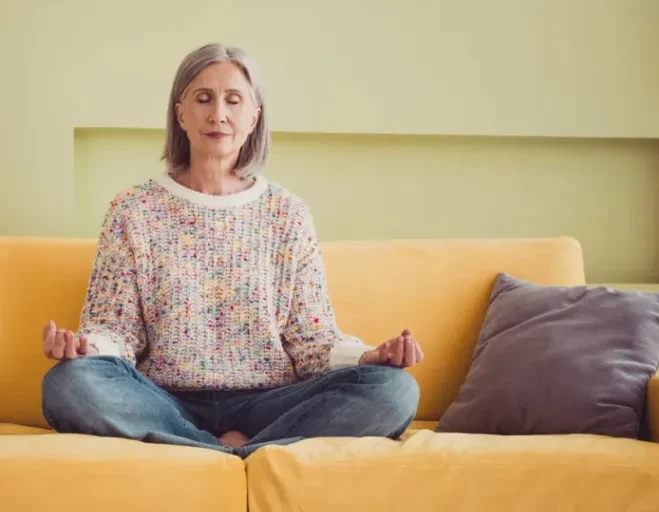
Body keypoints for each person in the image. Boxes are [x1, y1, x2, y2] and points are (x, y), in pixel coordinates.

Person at [41, 43, 423, 458]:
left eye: (233, 100)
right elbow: (115, 328)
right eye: (203, 98)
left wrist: (368, 356)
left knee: (394, 390)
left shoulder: (287, 213)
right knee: (68, 385)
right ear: (180, 112)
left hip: (271, 403)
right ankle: (231, 451)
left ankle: (205, 450)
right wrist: (85, 349)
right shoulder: (133, 210)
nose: (218, 114)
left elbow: (311, 338)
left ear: (254, 116)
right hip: (165, 400)